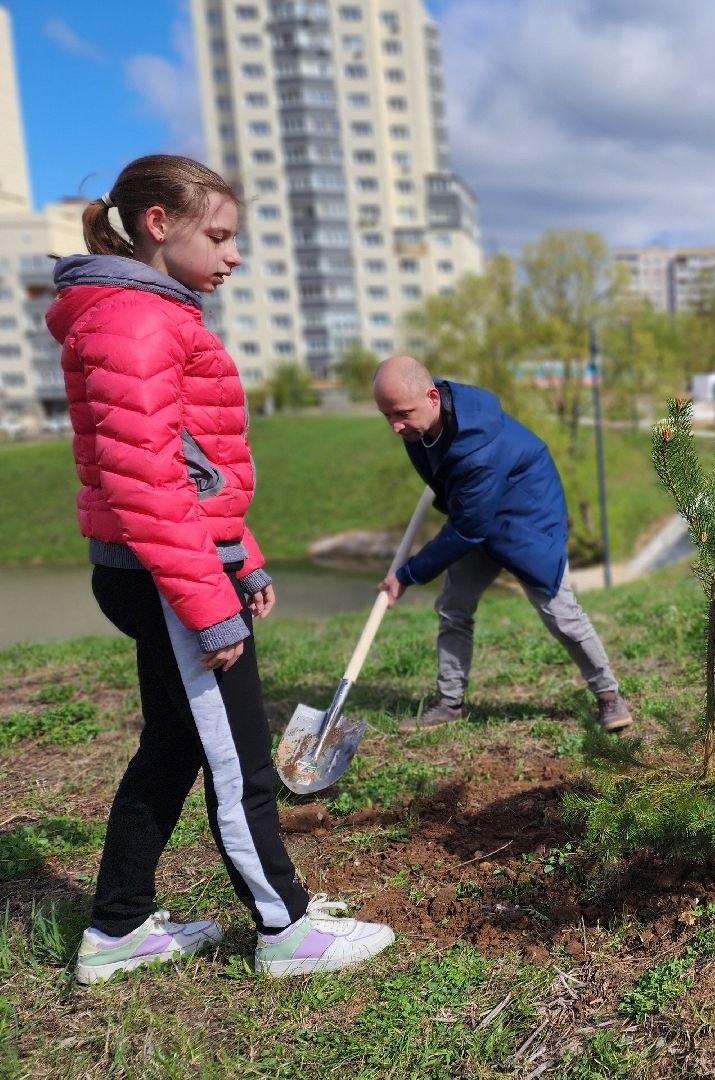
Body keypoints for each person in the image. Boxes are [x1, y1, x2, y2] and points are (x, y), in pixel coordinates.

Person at [47, 155, 393, 984]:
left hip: (179, 563)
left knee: (170, 747)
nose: (235, 255)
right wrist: (209, 603)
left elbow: (190, 464)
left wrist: (244, 559)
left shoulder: (154, 312)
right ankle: (285, 929)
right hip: (167, 576)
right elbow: (146, 482)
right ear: (159, 225)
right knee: (239, 758)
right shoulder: (135, 320)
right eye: (221, 235)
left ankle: (117, 929)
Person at [372, 355, 632, 732]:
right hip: (477, 516)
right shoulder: (422, 420)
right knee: (453, 608)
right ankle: (450, 702)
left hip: (527, 520)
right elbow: (466, 513)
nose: (395, 426)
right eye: (387, 416)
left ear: (431, 397)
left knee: (562, 616)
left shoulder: (476, 447)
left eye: (402, 413)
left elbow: (467, 528)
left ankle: (609, 695)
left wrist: (407, 574)